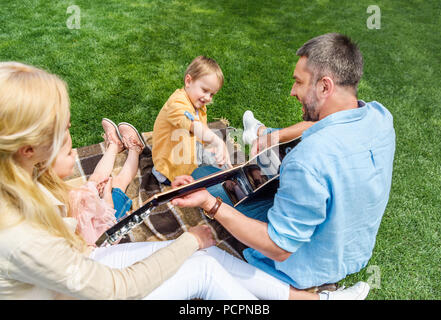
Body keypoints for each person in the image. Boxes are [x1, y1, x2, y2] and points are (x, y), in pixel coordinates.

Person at [0, 61, 264, 300]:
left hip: (84, 262)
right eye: (61, 126)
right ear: (27, 149)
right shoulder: (20, 236)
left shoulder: (21, 175)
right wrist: (190, 239)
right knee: (203, 267)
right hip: (86, 287)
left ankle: (293, 296)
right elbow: (118, 289)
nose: (70, 126)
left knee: (208, 254)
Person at [172, 33, 396, 300]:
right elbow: (328, 128)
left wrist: (212, 205)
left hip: (306, 264)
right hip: (352, 251)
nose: (293, 91)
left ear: (325, 87)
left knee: (205, 180)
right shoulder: (380, 116)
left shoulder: (308, 161)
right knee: (239, 174)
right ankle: (260, 133)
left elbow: (278, 247)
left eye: (299, 82)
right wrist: (274, 137)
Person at [51, 118, 145, 246]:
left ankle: (114, 145)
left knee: (96, 179)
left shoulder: (50, 193)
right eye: (68, 153)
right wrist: (107, 202)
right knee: (118, 184)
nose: (74, 153)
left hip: (87, 215)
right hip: (101, 230)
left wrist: (91, 191)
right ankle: (135, 150)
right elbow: (98, 240)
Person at [151, 56, 232, 185]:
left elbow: (200, 131)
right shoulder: (176, 103)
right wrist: (217, 141)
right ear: (188, 81)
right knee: (212, 184)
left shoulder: (198, 105)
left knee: (223, 168)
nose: (207, 98)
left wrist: (208, 146)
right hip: (170, 169)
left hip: (187, 154)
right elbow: (194, 126)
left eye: (212, 94)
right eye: (205, 90)